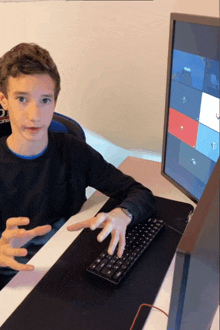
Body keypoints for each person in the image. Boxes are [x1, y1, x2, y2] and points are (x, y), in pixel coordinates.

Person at [0, 43, 156, 289]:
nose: (35, 115)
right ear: (4, 100)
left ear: (55, 102)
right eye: (22, 99)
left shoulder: (72, 151)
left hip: (71, 269)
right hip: (16, 283)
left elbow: (139, 193)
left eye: (45, 100)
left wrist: (122, 215)